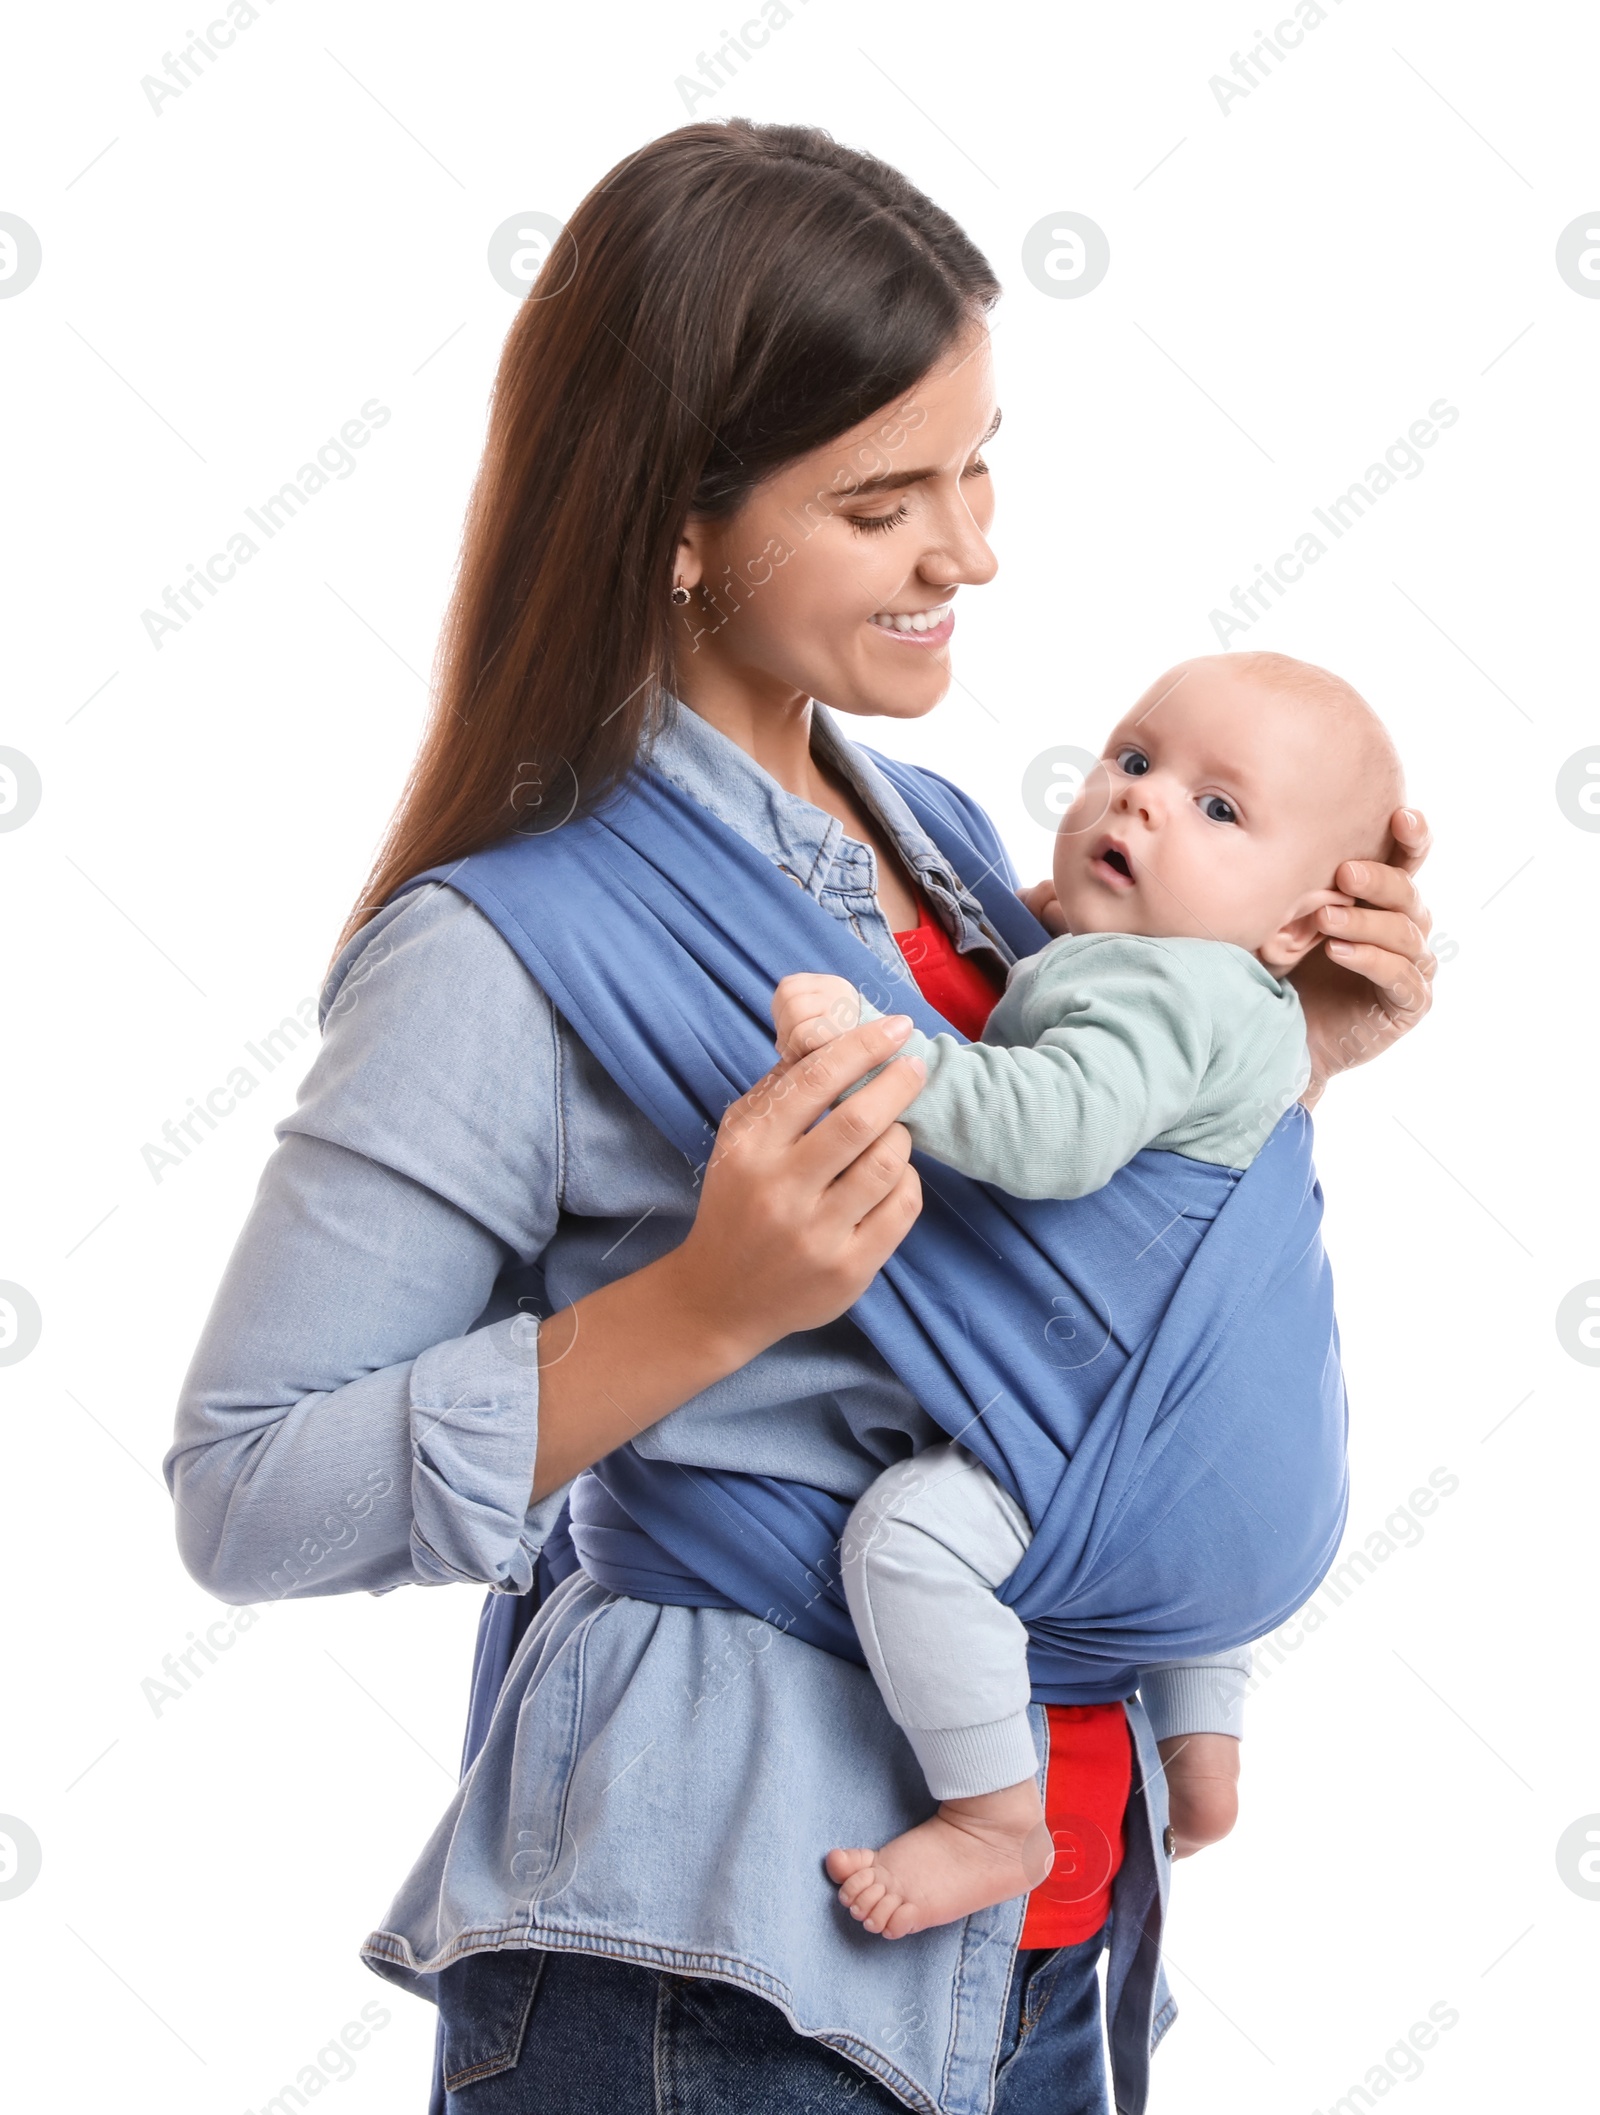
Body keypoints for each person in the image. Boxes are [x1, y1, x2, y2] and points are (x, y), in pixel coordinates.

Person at [166, 122, 1435, 2115]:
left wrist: (1291, 1050)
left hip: (1047, 1943)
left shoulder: (939, 854)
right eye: (880, 501)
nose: (973, 550)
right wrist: (701, 1305)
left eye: (977, 462)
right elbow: (245, 1490)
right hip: (730, 1960)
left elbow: (1052, 1278)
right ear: (680, 522)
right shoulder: (500, 949)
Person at [770, 651, 1403, 1939]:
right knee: (1169, 1461)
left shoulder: (1165, 983)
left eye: (1221, 810)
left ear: (1295, 929)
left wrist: (874, 1058)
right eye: (1133, 758)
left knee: (909, 1538)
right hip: (1247, 1477)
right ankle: (1203, 1751)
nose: (1145, 802)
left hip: (1136, 1452)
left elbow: (1049, 1133)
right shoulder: (1241, 1000)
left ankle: (995, 1819)